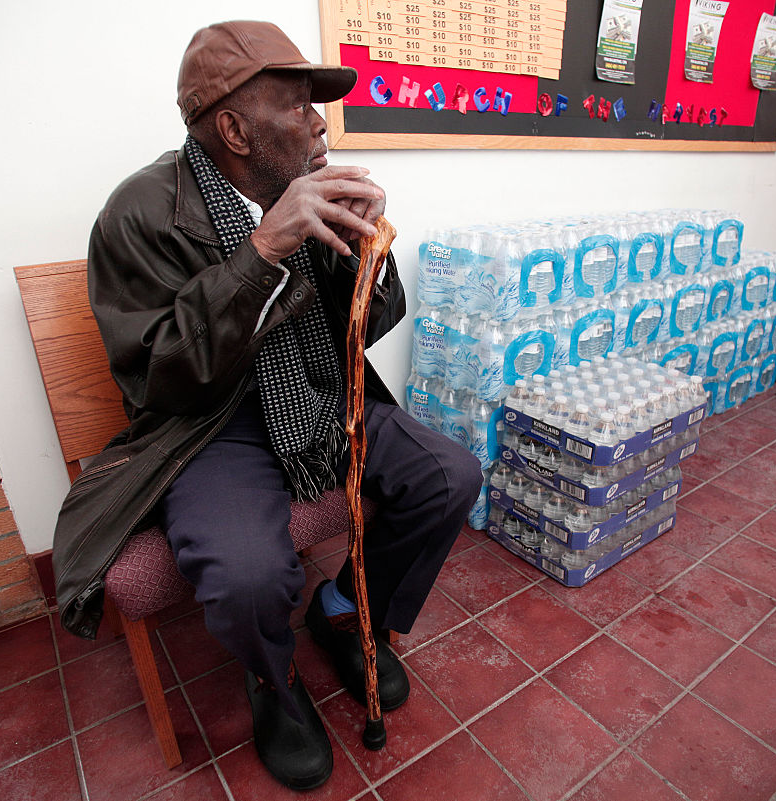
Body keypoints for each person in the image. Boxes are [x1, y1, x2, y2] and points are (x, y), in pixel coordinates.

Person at [50, 21, 482, 791]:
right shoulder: (138, 214)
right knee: (247, 574)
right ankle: (274, 681)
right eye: (298, 105)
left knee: (448, 475)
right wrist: (260, 254)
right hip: (210, 428)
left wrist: (366, 249)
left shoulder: (301, 187)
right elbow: (160, 378)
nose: (319, 122)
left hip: (317, 396)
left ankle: (345, 607)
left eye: (317, 106)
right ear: (234, 128)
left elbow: (366, 331)